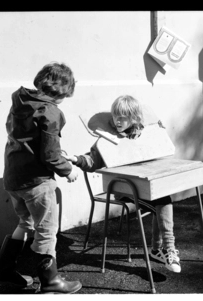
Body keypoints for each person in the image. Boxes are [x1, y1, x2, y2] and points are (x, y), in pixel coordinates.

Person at [62, 95, 181, 273]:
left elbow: (156, 143)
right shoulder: (108, 139)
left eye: (123, 116)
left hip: (145, 185)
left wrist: (159, 127)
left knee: (161, 197)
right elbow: (93, 160)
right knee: (164, 201)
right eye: (116, 115)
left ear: (134, 118)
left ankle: (158, 250)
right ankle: (166, 249)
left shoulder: (143, 134)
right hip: (123, 188)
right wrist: (76, 159)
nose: (118, 120)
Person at [0, 62, 82, 294]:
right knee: (47, 230)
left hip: (14, 177)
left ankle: (4, 271)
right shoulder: (50, 112)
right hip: (37, 182)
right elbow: (50, 155)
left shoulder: (20, 100)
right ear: (61, 91)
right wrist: (68, 170)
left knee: (26, 223)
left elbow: (28, 139)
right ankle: (50, 281)